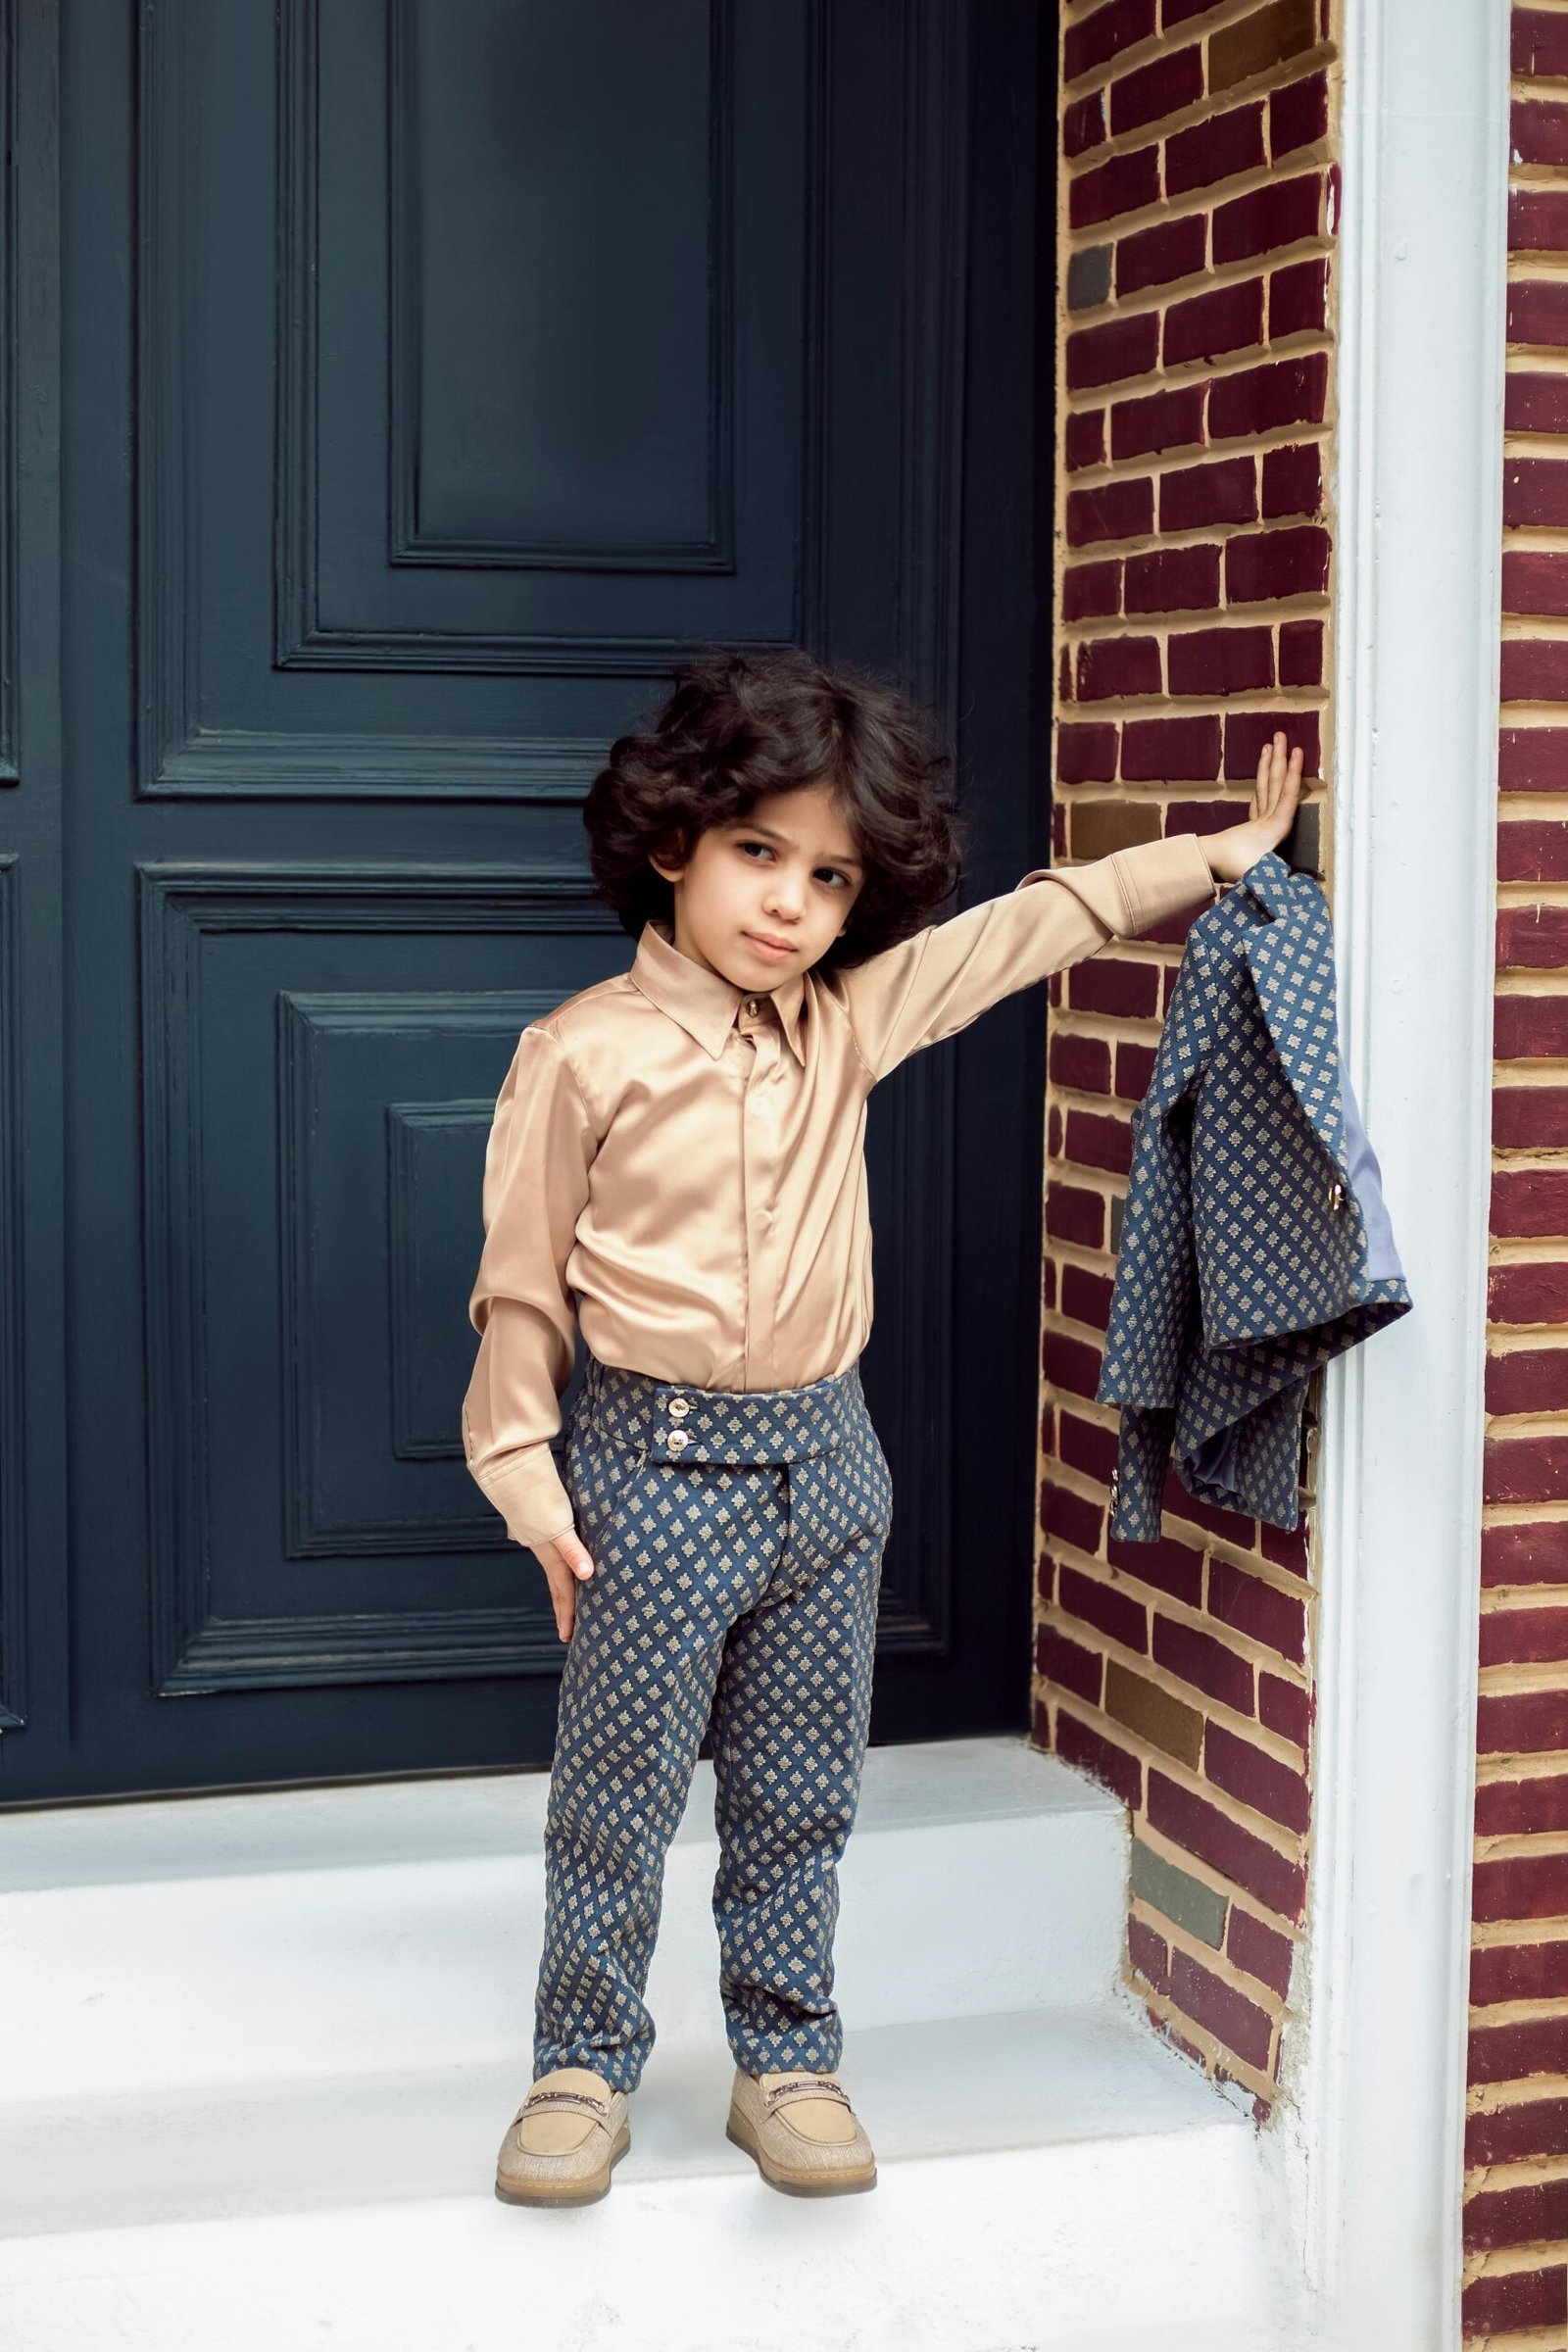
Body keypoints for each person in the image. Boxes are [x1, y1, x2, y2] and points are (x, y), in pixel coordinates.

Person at [463, 646, 1305, 2207]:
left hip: (830, 1464)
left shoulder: (847, 1027)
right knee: (620, 1789)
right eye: (758, 854)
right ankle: (582, 2064)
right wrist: (525, 1473)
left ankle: (787, 2059)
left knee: (802, 1788)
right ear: (676, 844)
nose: (788, 903)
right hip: (653, 1465)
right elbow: (520, 1287)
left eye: (830, 877)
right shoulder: (583, 1052)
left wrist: (1204, 862)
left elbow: (1025, 929)